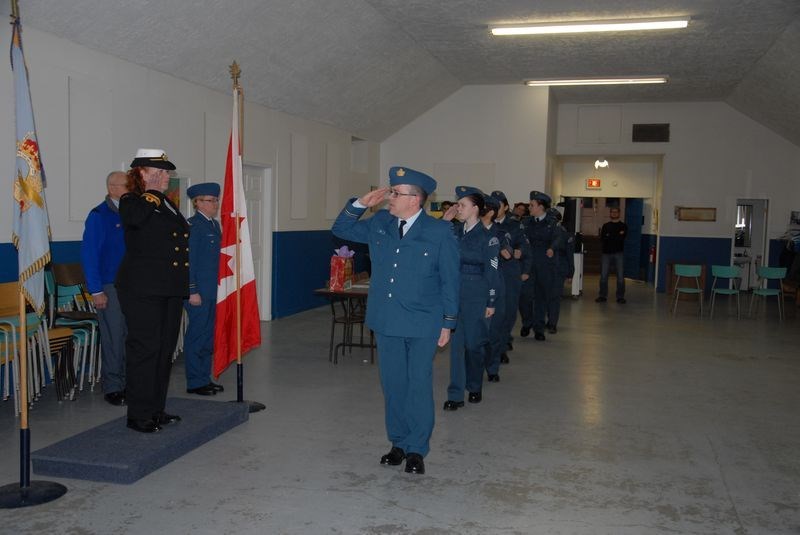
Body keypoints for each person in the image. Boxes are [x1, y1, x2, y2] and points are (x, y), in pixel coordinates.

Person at [331, 166, 459, 475]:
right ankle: (398, 443)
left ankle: (417, 449)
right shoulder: (380, 223)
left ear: (415, 199)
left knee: (417, 384)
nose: (389, 196)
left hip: (422, 323)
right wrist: (361, 203)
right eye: (390, 190)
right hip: (386, 320)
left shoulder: (439, 231)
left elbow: (450, 280)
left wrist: (448, 322)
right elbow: (341, 228)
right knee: (393, 384)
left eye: (396, 192)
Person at [116, 149, 189, 433]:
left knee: (163, 351)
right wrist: (153, 192)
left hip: (168, 288)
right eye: (158, 172)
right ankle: (138, 414)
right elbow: (134, 220)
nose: (165, 177)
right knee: (145, 350)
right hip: (142, 288)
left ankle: (156, 408)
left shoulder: (167, 204)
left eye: (167, 173)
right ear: (141, 173)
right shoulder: (132, 200)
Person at [441, 187, 499, 408]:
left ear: (476, 208)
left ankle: (474, 385)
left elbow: (492, 272)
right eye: (457, 204)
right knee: (456, 347)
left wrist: (491, 302)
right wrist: (445, 221)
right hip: (454, 293)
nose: (458, 209)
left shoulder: (488, 238)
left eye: (462, 205)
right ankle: (455, 395)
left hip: (477, 294)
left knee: (474, 345)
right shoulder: (453, 230)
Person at [80, 171, 129, 406]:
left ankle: (130, 383)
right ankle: (113, 386)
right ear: (112, 187)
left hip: (133, 286)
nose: (130, 189)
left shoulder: (130, 213)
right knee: (113, 337)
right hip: (110, 286)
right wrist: (96, 290)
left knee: (131, 336)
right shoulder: (99, 215)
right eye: (126, 186)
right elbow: (90, 255)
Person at [184, 183, 225, 396]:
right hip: (198, 292)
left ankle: (204, 377)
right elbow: (188, 262)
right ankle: (194, 382)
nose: (215, 204)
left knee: (208, 336)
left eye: (216, 200)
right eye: (210, 200)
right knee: (197, 335)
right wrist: (192, 290)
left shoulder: (214, 225)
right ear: (197, 202)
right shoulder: (192, 226)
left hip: (212, 290)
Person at [490, 191, 530, 364]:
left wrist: (520, 251)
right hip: (490, 272)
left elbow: (524, 244)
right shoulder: (485, 223)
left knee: (508, 311)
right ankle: (493, 345)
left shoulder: (514, 225)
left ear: (505, 207)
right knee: (491, 312)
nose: (493, 209)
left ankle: (501, 344)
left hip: (509, 272)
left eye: (498, 205)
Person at [519, 191, 561, 341]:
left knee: (541, 297)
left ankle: (538, 328)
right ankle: (526, 323)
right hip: (528, 264)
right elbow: (521, 240)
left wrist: (551, 248)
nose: (529, 207)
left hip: (544, 264)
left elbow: (557, 239)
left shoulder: (552, 223)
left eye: (532, 205)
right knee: (525, 297)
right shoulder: (525, 222)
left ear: (541, 207)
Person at [481, 193, 509, 382]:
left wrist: (502, 249)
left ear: (489, 212)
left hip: (494, 285)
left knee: (493, 330)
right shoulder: (467, 231)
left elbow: (506, 253)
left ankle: (492, 367)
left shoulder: (499, 233)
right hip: (473, 285)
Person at [545, 208, 575, 334]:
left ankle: (552, 323)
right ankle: (546, 320)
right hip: (545, 268)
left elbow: (569, 255)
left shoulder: (566, 235)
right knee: (545, 296)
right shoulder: (544, 232)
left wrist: (570, 273)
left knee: (555, 297)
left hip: (559, 268)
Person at [597, 206, 628, 304]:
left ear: (619, 213)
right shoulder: (606, 226)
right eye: (612, 212)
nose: (614, 213)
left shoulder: (623, 226)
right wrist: (616, 235)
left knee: (620, 276)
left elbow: (621, 238)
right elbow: (603, 239)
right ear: (610, 213)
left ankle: (620, 297)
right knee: (603, 276)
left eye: (616, 212)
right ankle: (602, 296)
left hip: (619, 253)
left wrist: (610, 236)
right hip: (606, 253)